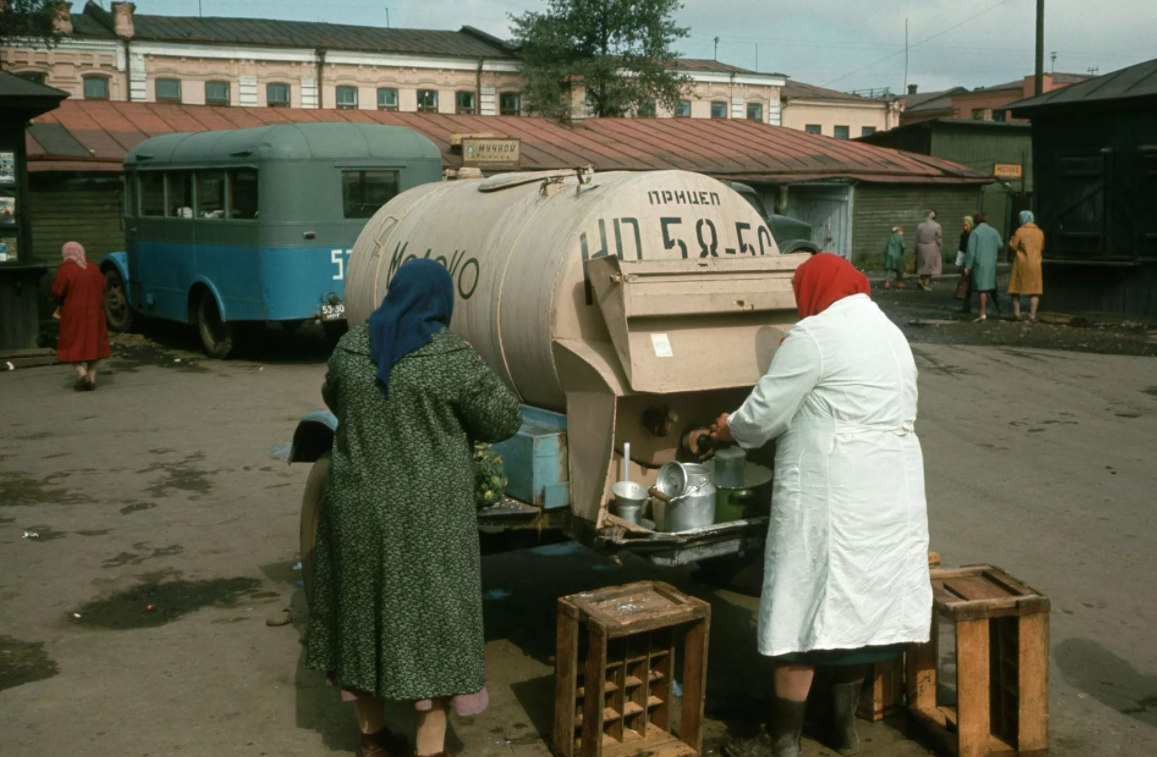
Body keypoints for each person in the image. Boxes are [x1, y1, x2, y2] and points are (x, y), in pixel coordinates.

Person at [713, 254, 931, 757]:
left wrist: (726, 427)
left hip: (833, 487)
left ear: (810, 290)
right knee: (858, 602)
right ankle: (841, 728)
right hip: (890, 487)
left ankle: (781, 740)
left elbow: (761, 418)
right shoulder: (891, 333)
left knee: (800, 603)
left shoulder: (813, 336)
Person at [305, 259, 523, 757]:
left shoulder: (351, 346)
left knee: (363, 616)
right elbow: (504, 419)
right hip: (429, 521)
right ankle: (431, 749)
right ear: (440, 301)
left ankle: (373, 740)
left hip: (356, 509)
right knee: (436, 624)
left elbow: (334, 398)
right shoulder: (449, 356)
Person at [50, 241, 111, 390]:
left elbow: (58, 291)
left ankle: (82, 373)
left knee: (71, 344)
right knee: (94, 346)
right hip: (95, 313)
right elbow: (103, 285)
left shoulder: (66, 270)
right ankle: (91, 379)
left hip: (73, 313)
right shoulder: (93, 268)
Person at [963, 212, 1003, 322]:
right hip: (991, 262)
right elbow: (1000, 245)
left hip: (979, 263)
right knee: (990, 286)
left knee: (982, 289)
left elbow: (971, 251)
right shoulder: (994, 231)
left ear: (975, 221)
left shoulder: (975, 233)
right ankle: (998, 308)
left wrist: (967, 266)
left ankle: (981, 313)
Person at [1008, 210, 1044, 322]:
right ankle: (1032, 315)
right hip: (1036, 264)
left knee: (1015, 289)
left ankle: (1017, 314)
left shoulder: (1020, 231)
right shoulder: (1040, 232)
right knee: (1034, 291)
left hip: (1021, 264)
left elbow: (1013, 247)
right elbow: (1042, 247)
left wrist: (1011, 240)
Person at [915, 210, 943, 290]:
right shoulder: (937, 226)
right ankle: (926, 285)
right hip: (932, 246)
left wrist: (915, 249)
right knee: (930, 266)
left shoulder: (920, 226)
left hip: (921, 246)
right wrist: (940, 246)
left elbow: (916, 238)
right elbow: (939, 238)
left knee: (923, 265)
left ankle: (920, 280)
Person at [957, 217, 974, 314]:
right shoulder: (964, 235)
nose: (965, 227)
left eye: (966, 225)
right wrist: (959, 264)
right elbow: (961, 249)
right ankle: (966, 307)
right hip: (966, 261)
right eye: (964, 225)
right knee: (965, 284)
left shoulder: (974, 234)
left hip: (973, 261)